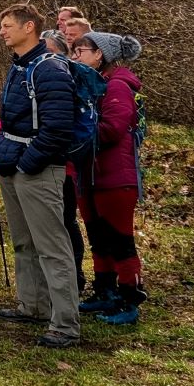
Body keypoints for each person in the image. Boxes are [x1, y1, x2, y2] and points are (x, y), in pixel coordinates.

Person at [0, 3, 80, 348]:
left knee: (52, 247)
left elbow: (57, 128)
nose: (2, 31)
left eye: (7, 25)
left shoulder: (50, 69)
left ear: (29, 28)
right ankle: (33, 305)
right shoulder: (18, 67)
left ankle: (65, 324)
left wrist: (28, 164)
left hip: (38, 169)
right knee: (24, 242)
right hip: (14, 167)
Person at [72, 32, 147, 325]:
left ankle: (130, 298)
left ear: (99, 54)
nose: (76, 55)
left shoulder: (117, 86)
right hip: (90, 174)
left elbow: (113, 128)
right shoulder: (95, 84)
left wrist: (75, 135)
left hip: (115, 177)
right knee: (99, 240)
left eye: (81, 50)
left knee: (120, 241)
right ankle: (105, 290)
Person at [42, 28, 87, 291]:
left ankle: (75, 276)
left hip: (66, 165)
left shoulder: (70, 78)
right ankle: (53, 278)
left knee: (66, 221)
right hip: (44, 163)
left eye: (49, 51)